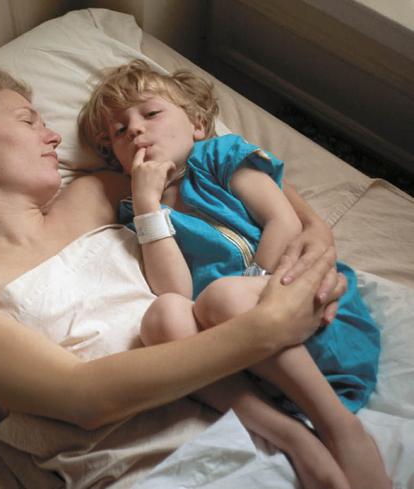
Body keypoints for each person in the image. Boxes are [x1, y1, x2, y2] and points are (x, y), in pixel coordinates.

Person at [0, 64, 347, 489]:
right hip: (159, 466)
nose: (53, 137)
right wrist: (265, 328)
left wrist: (313, 229)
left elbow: (208, 166)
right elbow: (82, 397)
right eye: (29, 121)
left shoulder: (94, 194)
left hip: (273, 416)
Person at [79, 59, 389, 489]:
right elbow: (175, 288)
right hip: (240, 354)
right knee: (163, 316)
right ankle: (293, 437)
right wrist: (148, 204)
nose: (134, 130)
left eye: (150, 113)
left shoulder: (220, 157)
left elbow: (284, 220)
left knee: (225, 297)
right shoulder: (138, 211)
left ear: (198, 124)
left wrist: (257, 289)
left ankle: (339, 428)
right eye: (118, 131)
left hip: (300, 304)